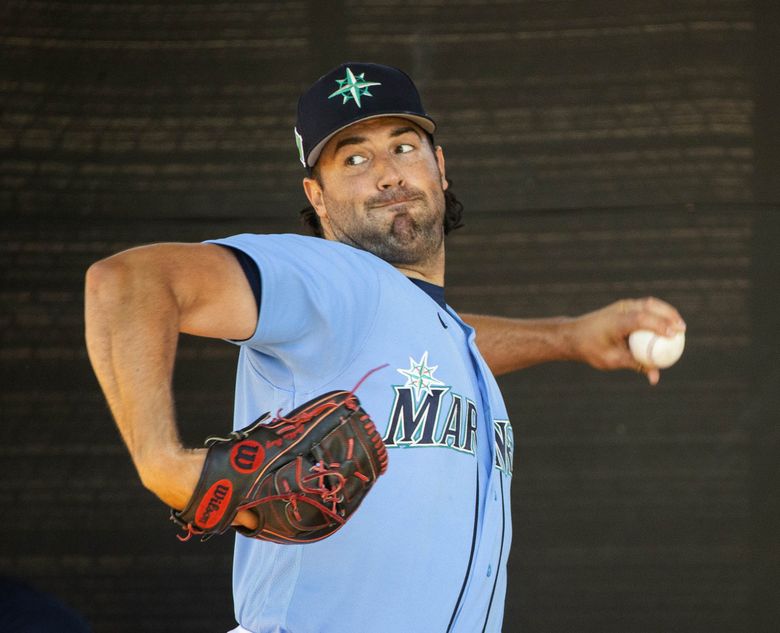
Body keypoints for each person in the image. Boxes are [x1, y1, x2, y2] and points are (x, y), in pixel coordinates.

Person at [84, 62, 686, 633]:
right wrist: (160, 462)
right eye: (354, 158)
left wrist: (567, 338)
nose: (388, 173)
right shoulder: (329, 276)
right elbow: (129, 282)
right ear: (317, 199)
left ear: (439, 167)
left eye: (403, 146)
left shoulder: (426, 331)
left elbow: (434, 348)